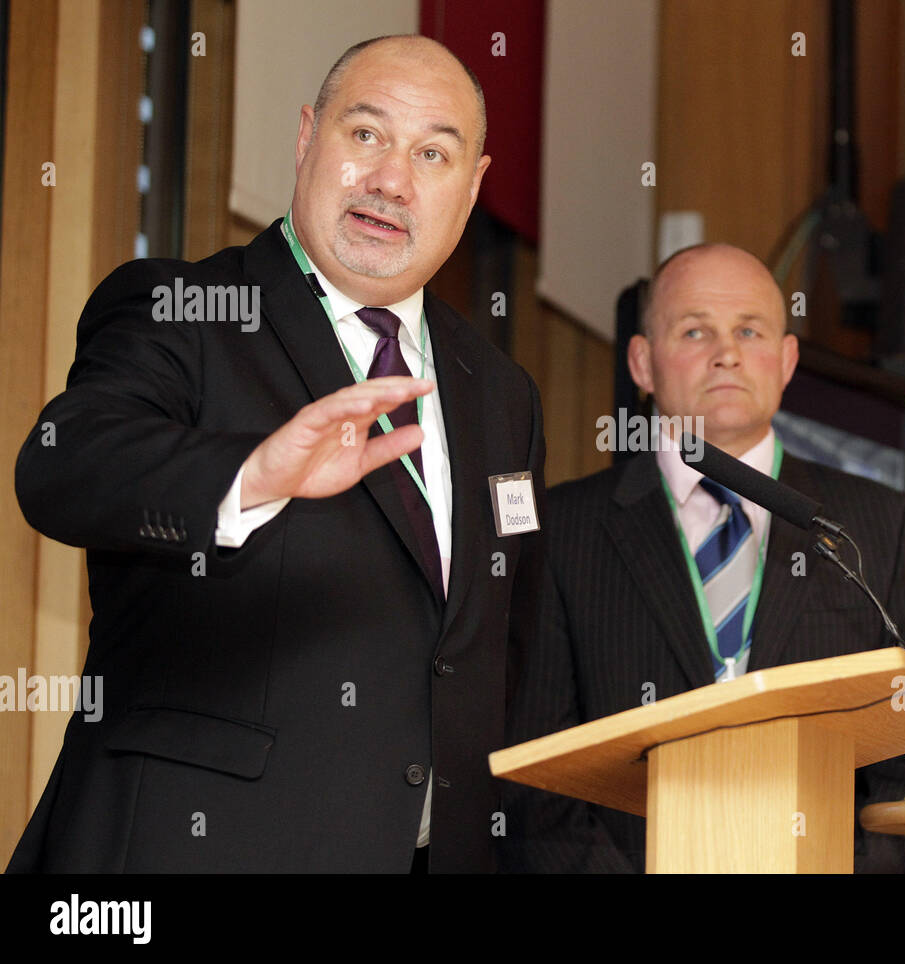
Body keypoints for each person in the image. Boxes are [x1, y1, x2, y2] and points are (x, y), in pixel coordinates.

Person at [8, 35, 545, 873]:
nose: (391, 180)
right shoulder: (185, 307)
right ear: (306, 137)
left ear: (472, 186)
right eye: (365, 135)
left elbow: (497, 648)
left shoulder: (501, 390)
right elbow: (64, 465)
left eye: (432, 153)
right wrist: (249, 477)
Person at [501, 244, 905, 873]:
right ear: (642, 362)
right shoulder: (560, 531)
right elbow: (534, 763)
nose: (727, 353)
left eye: (750, 330)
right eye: (695, 331)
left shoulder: (880, 527)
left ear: (788, 359)